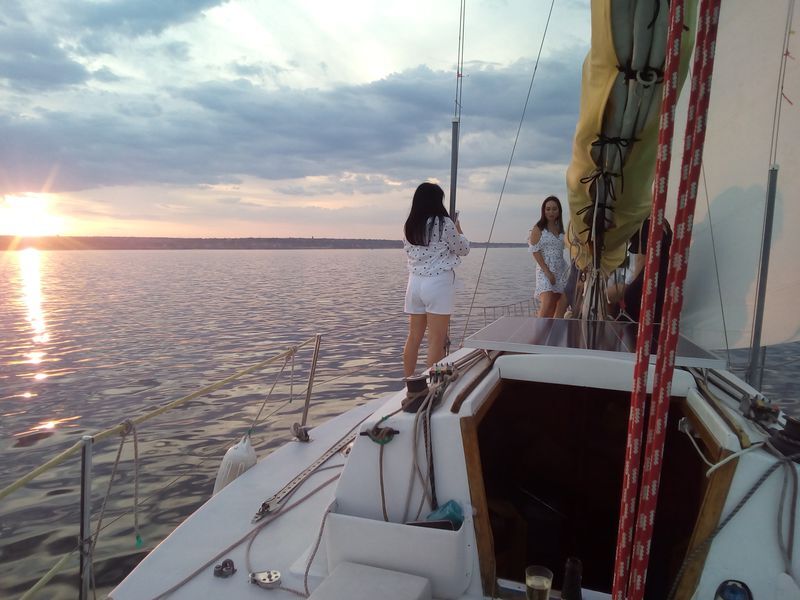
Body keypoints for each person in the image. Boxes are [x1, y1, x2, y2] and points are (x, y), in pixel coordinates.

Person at [402, 182, 470, 377]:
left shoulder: (409, 225)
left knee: (413, 338)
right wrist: (459, 229)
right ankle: (434, 385)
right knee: (436, 340)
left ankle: (408, 382)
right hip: (437, 283)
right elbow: (463, 249)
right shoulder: (445, 223)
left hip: (414, 284)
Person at [608, 216, 673, 323]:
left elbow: (641, 262)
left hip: (646, 289)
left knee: (611, 303)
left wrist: (626, 290)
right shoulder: (661, 222)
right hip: (661, 285)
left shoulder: (646, 225)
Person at [528, 195, 569, 317]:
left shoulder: (561, 229)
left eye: (554, 209)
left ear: (559, 211)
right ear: (544, 211)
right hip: (544, 270)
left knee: (555, 303)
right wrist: (547, 272)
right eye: (548, 209)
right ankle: (538, 328)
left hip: (560, 270)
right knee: (547, 301)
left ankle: (550, 327)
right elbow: (535, 251)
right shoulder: (538, 228)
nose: (551, 212)